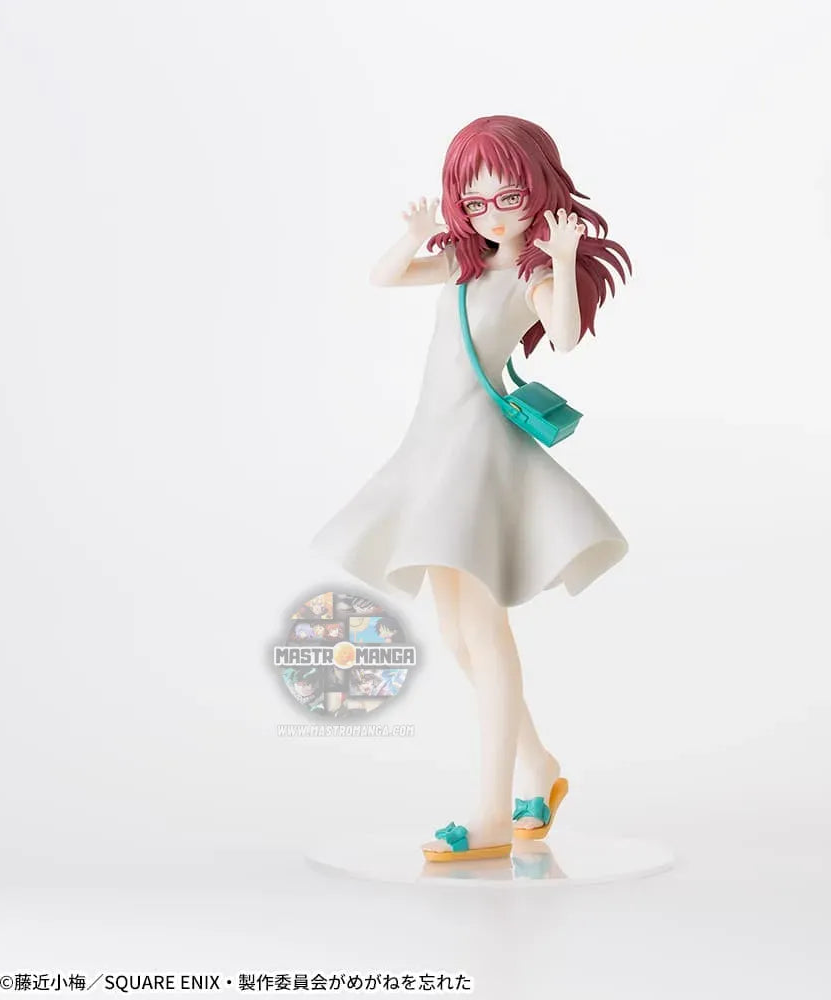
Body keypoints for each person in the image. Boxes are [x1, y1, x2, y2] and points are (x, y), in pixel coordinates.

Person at [310, 115, 631, 860]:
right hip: (432, 452)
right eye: (475, 200)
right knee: (459, 636)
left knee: (484, 635)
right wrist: (416, 234)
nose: (492, 214)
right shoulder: (464, 264)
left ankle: (490, 816)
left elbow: (565, 335)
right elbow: (385, 276)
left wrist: (562, 258)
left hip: (478, 460)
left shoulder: (530, 275)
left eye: (508, 197)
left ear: (539, 191)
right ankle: (539, 770)